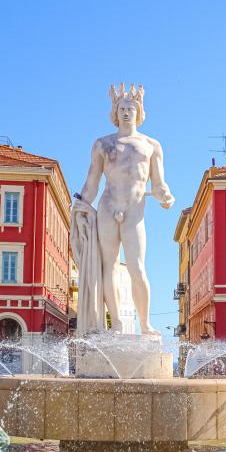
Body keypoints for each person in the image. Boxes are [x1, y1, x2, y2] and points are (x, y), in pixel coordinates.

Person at [74, 83, 174, 335]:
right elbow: (92, 181)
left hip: (134, 213)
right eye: (122, 108)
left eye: (131, 108)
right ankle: (116, 323)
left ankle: (145, 324)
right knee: (109, 266)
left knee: (137, 267)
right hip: (108, 208)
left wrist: (164, 195)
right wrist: (81, 206)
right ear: (115, 112)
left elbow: (159, 183)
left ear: (139, 112)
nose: (126, 112)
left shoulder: (152, 145)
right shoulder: (102, 144)